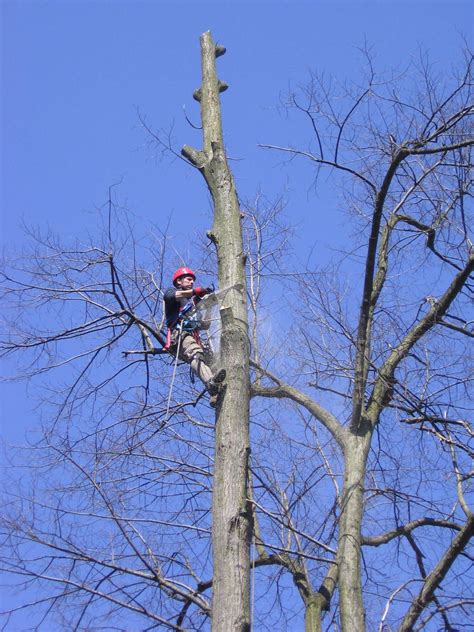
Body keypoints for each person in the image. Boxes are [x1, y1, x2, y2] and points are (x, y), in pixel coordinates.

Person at [164, 266, 226, 407]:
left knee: (213, 362)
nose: (192, 282)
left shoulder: (192, 304)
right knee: (196, 355)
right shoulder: (173, 293)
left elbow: (204, 325)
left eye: (193, 280)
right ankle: (211, 383)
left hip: (193, 337)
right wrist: (194, 292)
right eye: (188, 279)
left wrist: (208, 305)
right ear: (179, 281)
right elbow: (169, 297)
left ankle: (215, 393)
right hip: (179, 336)